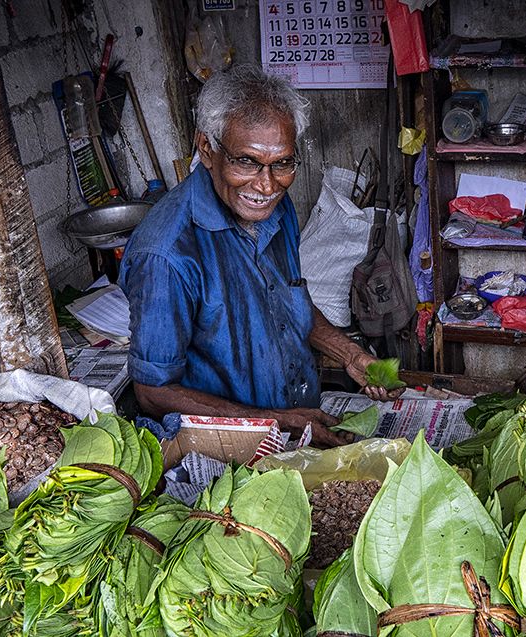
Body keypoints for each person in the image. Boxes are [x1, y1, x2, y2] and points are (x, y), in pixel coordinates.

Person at [119, 66, 399, 447]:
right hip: (227, 450)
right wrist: (279, 423)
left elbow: (286, 302)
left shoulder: (274, 209)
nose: (266, 185)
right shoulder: (167, 254)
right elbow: (153, 391)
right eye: (246, 162)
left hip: (298, 421)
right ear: (207, 149)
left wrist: (348, 353)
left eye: (282, 163)